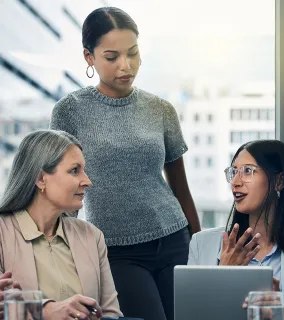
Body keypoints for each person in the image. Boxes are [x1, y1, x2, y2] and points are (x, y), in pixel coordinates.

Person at [49, 7, 200, 320]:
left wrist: (201, 253)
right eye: (111, 56)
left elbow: (181, 190)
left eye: (132, 53)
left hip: (174, 239)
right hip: (114, 251)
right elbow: (64, 192)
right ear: (89, 58)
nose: (125, 65)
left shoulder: (161, 110)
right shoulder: (69, 111)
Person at [188, 140, 284, 320]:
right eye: (234, 172)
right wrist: (224, 277)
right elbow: (192, 313)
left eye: (248, 171)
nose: (236, 182)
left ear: (279, 181)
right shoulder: (202, 244)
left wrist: (283, 310)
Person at [0, 130, 122, 320]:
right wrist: (45, 311)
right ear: (41, 179)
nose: (87, 181)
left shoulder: (92, 236)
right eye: (74, 170)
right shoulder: (2, 234)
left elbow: (111, 314)